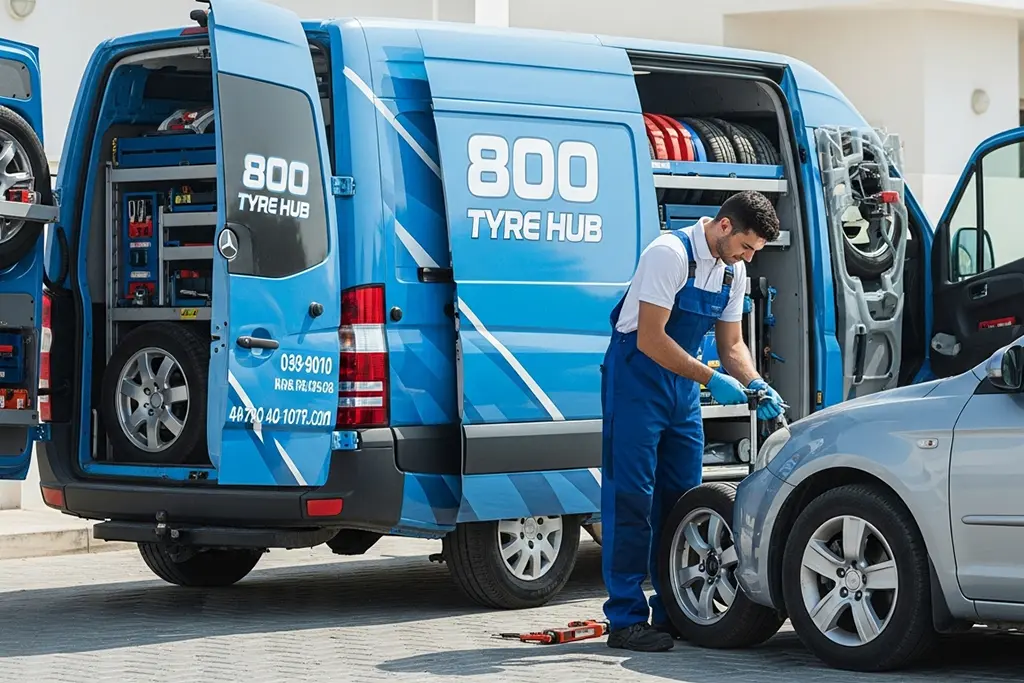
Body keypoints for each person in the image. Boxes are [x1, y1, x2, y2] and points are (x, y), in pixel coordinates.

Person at [600, 190, 786, 652]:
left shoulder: (733, 269)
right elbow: (649, 338)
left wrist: (754, 383)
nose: (748, 257)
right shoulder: (669, 254)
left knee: (681, 501)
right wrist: (712, 379)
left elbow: (733, 347)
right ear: (724, 226)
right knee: (632, 499)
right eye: (746, 245)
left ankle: (673, 611)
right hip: (637, 380)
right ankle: (625, 620)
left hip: (681, 389)